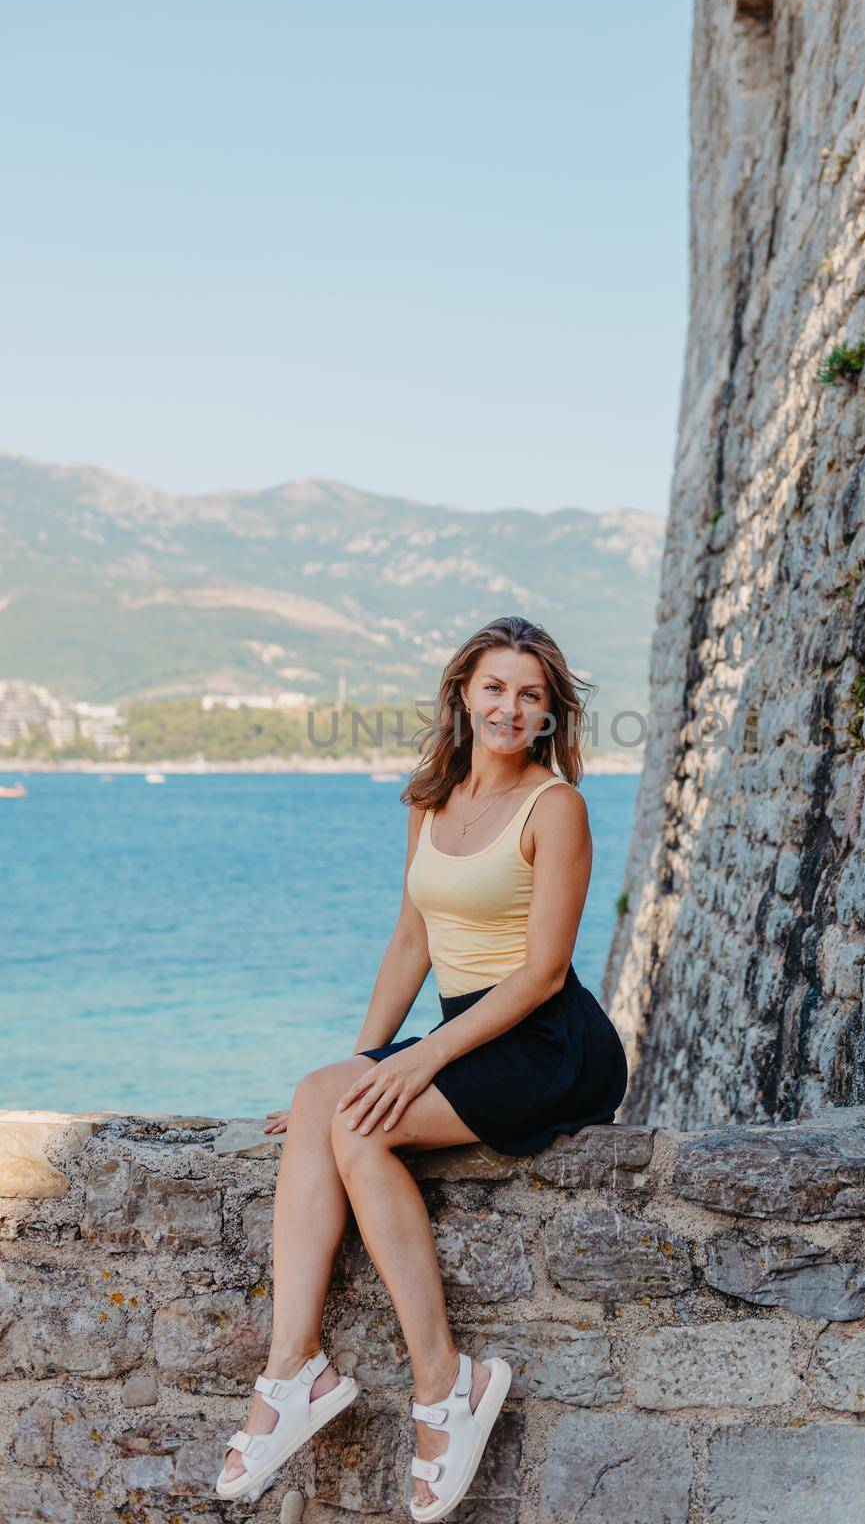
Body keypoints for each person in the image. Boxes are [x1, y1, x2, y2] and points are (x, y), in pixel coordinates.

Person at [215, 615, 630, 1519]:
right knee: (323, 1097)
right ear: (463, 695)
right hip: (465, 1031)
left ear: (551, 714)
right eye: (494, 688)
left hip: (548, 1041)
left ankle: (445, 1385)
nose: (509, 708)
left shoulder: (556, 808)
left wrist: (416, 1063)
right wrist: (365, 1060)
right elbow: (413, 939)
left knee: (359, 1126)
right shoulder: (430, 799)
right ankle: (293, 1372)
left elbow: (543, 972)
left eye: (530, 695)